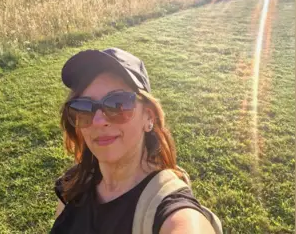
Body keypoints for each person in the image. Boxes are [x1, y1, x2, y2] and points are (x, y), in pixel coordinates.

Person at [50, 48, 220, 234]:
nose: (98, 121)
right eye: (84, 108)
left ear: (148, 117)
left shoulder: (170, 212)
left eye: (118, 104)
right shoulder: (75, 183)